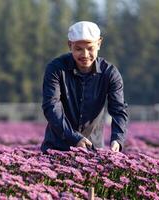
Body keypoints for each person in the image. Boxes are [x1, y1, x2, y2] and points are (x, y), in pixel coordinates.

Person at [41, 21, 128, 153]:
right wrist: (74, 138)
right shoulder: (56, 69)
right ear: (70, 45)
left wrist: (117, 139)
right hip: (57, 148)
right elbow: (51, 107)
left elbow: (118, 110)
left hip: (93, 150)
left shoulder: (110, 73)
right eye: (78, 49)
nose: (85, 55)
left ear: (99, 44)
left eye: (90, 48)